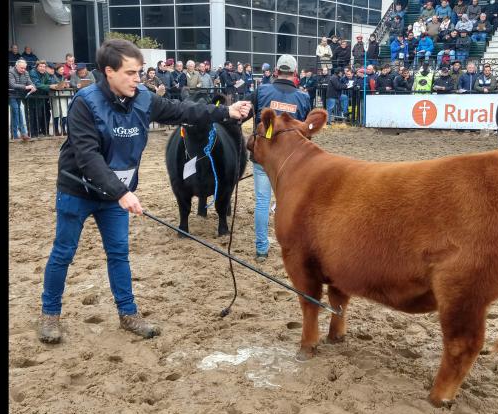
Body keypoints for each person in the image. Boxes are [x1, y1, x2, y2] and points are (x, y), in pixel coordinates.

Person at [38, 39, 252, 344]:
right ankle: (50, 315)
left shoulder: (142, 99)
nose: (138, 78)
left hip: (115, 195)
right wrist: (121, 192)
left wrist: (225, 112)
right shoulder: (84, 103)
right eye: (130, 72)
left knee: (119, 254)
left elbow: (183, 110)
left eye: (139, 72)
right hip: (78, 189)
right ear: (108, 72)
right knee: (63, 252)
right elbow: (87, 156)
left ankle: (128, 313)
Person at [244, 55, 311, 263]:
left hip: (263, 158)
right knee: (288, 203)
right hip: (290, 161)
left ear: (276, 71)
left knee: (263, 202)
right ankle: (289, 245)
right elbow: (306, 133)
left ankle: (262, 249)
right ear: (295, 73)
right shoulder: (303, 98)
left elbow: (246, 114)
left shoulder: (262, 90)